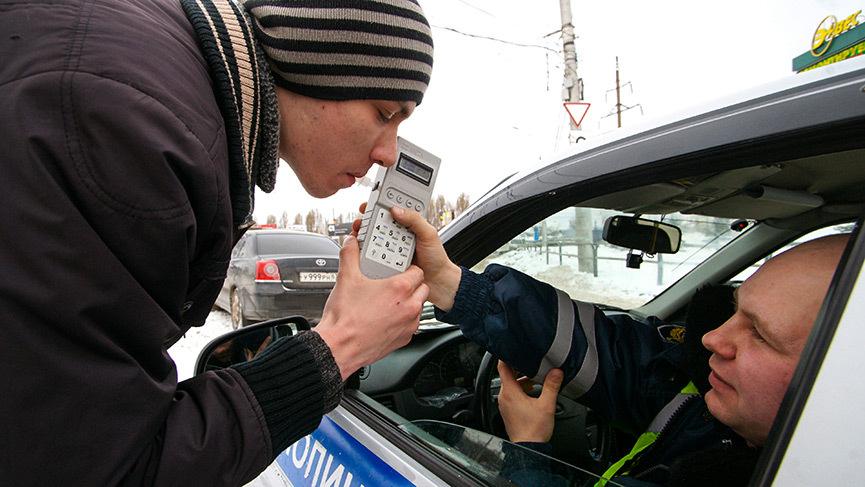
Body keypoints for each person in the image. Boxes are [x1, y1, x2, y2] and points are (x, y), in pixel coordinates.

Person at [1, 1, 433, 485]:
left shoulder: (155, 78)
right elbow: (99, 467)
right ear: (323, 61)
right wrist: (340, 346)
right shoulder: (134, 134)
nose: (388, 154)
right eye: (385, 112)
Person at [380, 207, 848, 486]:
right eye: (734, 311)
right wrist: (451, 285)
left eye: (760, 334)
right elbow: (608, 350)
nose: (712, 339)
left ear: (843, 373)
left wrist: (527, 449)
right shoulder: (704, 397)